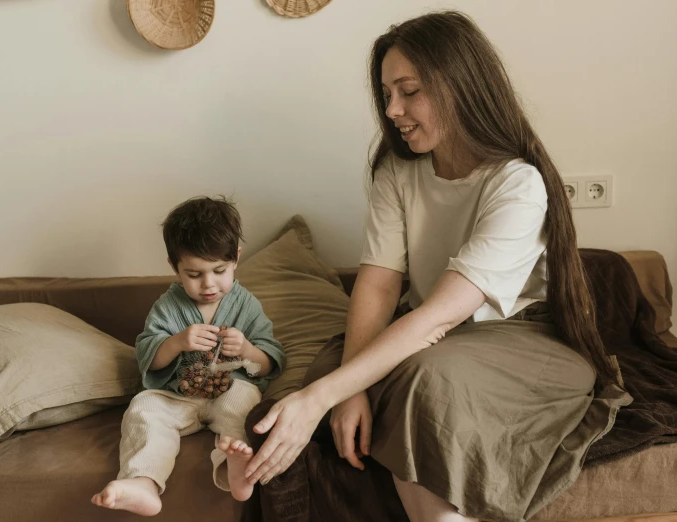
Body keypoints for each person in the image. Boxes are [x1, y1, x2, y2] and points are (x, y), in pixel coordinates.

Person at [242, 11, 630, 522]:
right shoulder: (396, 172)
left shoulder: (517, 184)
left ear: (460, 86)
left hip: (521, 340)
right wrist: (348, 385)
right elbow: (378, 288)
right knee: (360, 369)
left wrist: (324, 396)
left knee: (420, 375)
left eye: (409, 91)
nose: (393, 109)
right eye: (386, 93)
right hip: (432, 334)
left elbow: (441, 315)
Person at [91, 196, 286, 516]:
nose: (208, 284)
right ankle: (143, 482)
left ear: (236, 259)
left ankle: (234, 468)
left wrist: (248, 350)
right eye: (194, 274)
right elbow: (147, 356)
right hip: (178, 395)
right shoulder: (168, 306)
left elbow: (270, 361)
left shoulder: (246, 305)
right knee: (144, 408)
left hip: (229, 389)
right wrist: (176, 342)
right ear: (174, 266)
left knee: (245, 403)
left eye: (219, 271)